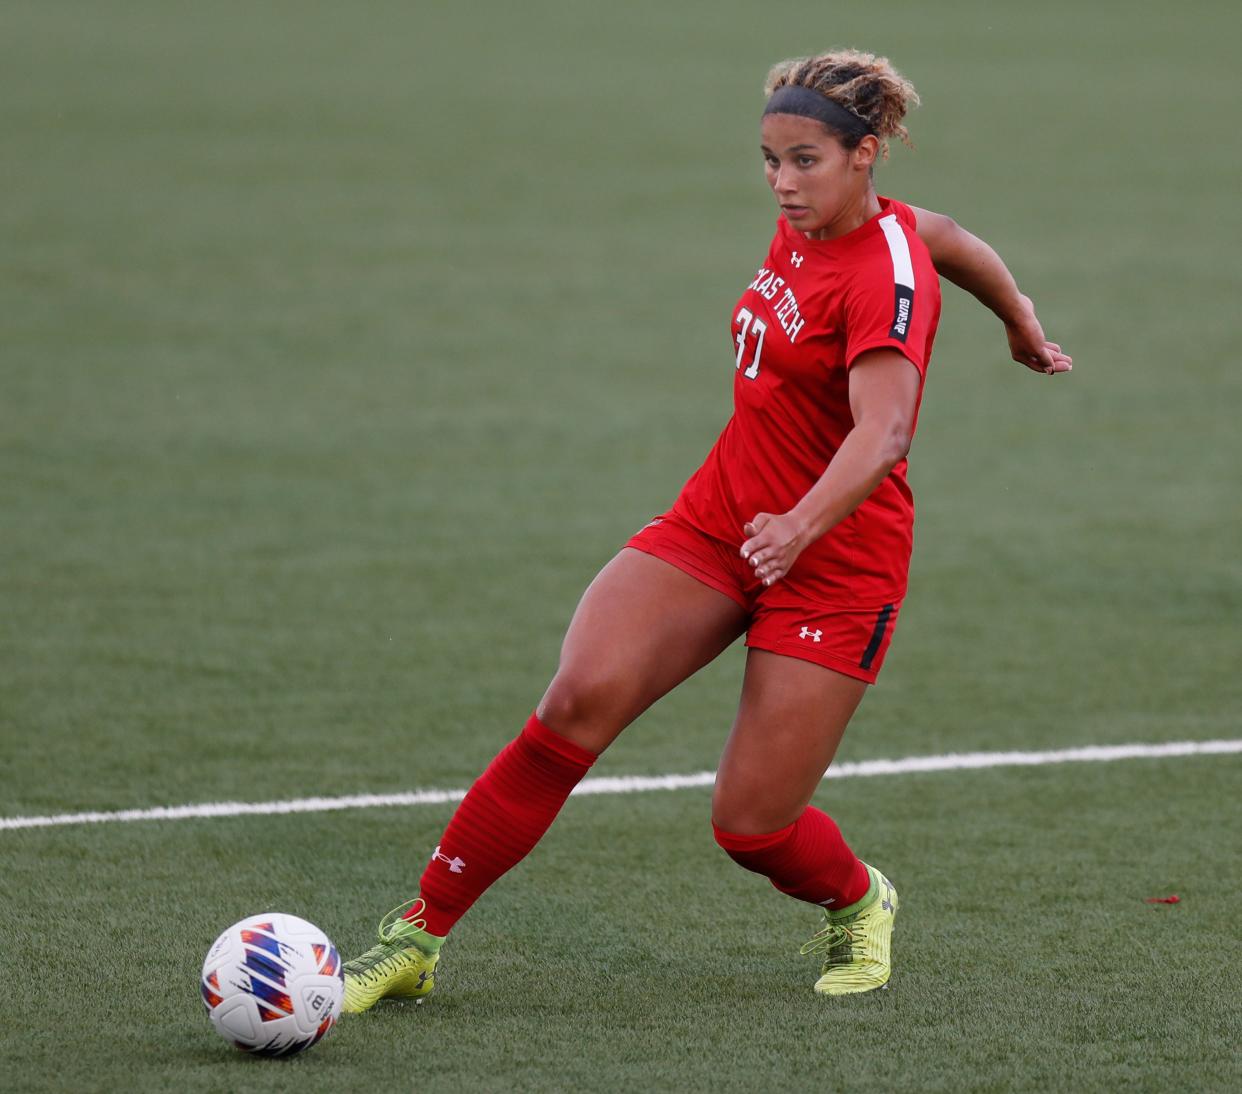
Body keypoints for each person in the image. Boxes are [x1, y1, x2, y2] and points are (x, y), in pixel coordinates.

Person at [342, 48, 1072, 1008]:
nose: (782, 183)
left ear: (865, 154)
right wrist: (1018, 317)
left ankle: (858, 899)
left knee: (753, 826)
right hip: (721, 521)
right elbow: (951, 234)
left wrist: (803, 525)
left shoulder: (880, 277)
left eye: (804, 161)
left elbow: (885, 430)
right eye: (770, 160)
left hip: (835, 565)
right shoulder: (840, 222)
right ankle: (416, 937)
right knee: (576, 700)